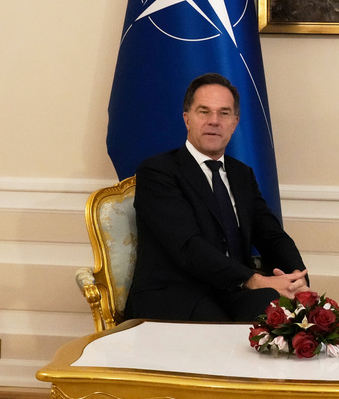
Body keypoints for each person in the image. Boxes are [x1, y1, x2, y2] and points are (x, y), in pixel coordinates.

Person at [124, 73, 309, 322]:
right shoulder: (158, 172)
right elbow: (187, 247)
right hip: (175, 295)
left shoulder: (242, 174)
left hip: (231, 292)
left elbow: (272, 236)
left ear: (234, 122)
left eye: (224, 113)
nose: (214, 121)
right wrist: (254, 280)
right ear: (187, 119)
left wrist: (298, 281)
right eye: (204, 112)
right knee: (222, 329)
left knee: (286, 311)